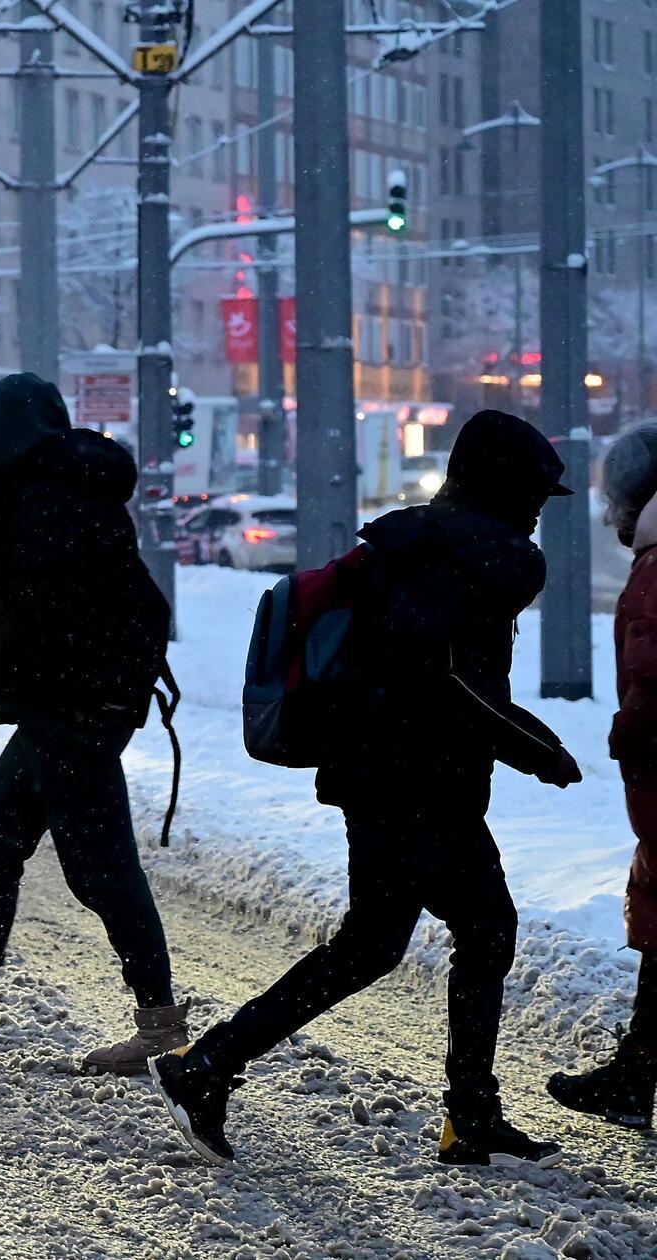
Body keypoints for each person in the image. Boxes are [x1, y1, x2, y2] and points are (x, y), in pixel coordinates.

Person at [154, 409, 582, 1169]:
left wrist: (511, 739)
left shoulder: (422, 543)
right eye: (537, 498)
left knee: (450, 934)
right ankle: (207, 1068)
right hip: (408, 782)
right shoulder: (459, 558)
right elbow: (443, 674)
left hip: (403, 777)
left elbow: (435, 672)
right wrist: (532, 746)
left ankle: (468, 1115)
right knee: (397, 943)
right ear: (507, 488)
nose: (539, 515)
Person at [0, 372, 183, 1076]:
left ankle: (163, 1030)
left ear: (13, 443)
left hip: (73, 716)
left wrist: (62, 691)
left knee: (101, 870)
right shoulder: (51, 493)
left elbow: (70, 615)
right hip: (64, 713)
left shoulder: (52, 502)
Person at [548, 420, 657, 1128]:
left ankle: (633, 1076)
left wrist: (631, 734)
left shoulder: (654, 574)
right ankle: (633, 1076)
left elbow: (650, 674)